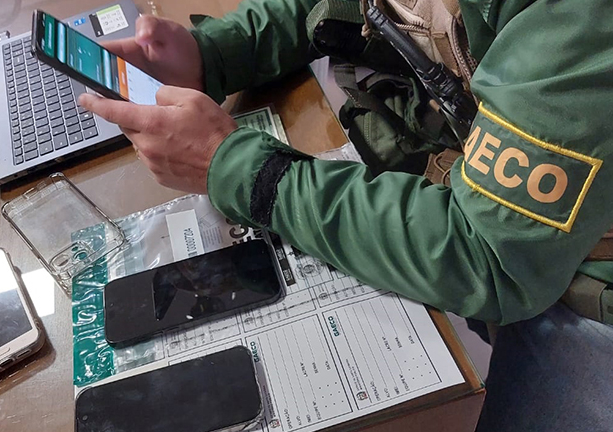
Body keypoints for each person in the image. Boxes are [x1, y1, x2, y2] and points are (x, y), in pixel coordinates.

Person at [78, 1, 613, 430]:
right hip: (489, 201)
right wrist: (210, 54)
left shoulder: (582, 20)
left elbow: (487, 256)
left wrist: (237, 169)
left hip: (581, 284)